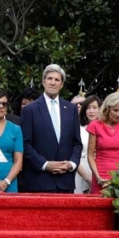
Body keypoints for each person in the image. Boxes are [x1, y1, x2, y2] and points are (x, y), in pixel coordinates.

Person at [20, 64, 83, 193]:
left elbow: (77, 143)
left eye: (57, 80)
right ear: (43, 81)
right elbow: (25, 145)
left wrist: (71, 164)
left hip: (65, 181)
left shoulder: (70, 109)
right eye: (49, 79)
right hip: (39, 181)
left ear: (62, 84)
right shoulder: (30, 110)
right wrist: (45, 165)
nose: (52, 83)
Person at [86, 92, 119, 193]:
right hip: (99, 174)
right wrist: (98, 177)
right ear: (107, 108)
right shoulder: (95, 125)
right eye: (115, 110)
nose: (118, 114)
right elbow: (90, 156)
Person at [75, 95, 100, 193]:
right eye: (88, 108)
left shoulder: (105, 128)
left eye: (95, 107)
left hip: (100, 172)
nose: (91, 111)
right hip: (80, 170)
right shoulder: (77, 129)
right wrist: (87, 178)